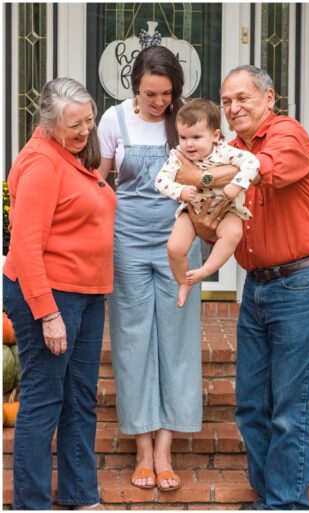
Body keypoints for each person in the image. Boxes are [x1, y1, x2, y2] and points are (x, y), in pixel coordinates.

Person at [174, 65, 309, 510]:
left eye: (243, 98)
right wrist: (202, 221)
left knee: (292, 408)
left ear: (270, 97)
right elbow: (218, 228)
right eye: (227, 101)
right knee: (250, 404)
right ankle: (270, 496)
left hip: (302, 283)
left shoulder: (287, 135)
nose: (233, 107)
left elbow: (262, 171)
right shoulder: (228, 150)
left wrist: (199, 176)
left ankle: (286, 503)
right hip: (258, 286)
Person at [97, 44, 214, 492]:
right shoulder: (114, 120)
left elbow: (213, 173)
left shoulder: (185, 122)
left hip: (177, 247)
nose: (158, 102)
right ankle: (142, 448)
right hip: (126, 244)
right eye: (150, 93)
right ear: (135, 87)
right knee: (133, 342)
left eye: (166, 93)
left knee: (177, 341)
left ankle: (164, 450)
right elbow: (102, 182)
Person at [3, 77, 114, 510]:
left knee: (80, 398)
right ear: (48, 123)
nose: (85, 131)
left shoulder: (69, 156)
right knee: (44, 399)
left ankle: (81, 495)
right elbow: (25, 248)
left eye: (89, 120)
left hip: (86, 294)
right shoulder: (41, 165)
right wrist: (48, 314)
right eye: (75, 125)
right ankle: (31, 503)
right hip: (50, 295)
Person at [156, 98, 260, 307]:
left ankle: (206, 270)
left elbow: (252, 162)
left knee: (233, 233)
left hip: (227, 208)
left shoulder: (226, 152)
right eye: (183, 137)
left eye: (196, 137)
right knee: (174, 247)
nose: (189, 144)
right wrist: (180, 190)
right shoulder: (178, 156)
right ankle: (183, 282)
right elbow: (160, 181)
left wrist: (237, 184)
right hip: (191, 208)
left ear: (215, 136)